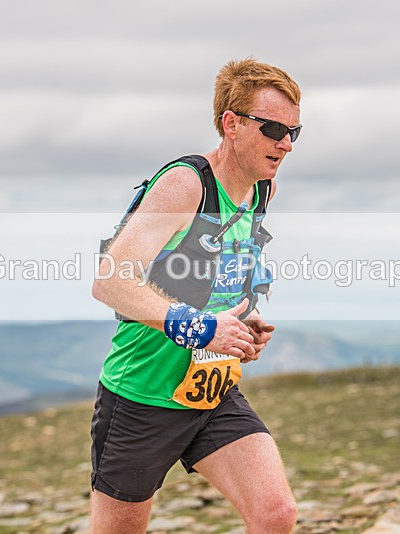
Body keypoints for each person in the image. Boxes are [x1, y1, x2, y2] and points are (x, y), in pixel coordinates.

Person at [90, 58, 302, 533]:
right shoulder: (185, 184)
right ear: (232, 123)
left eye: (294, 132)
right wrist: (200, 326)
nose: (285, 145)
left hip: (210, 391)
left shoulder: (260, 189)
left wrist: (239, 327)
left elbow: (206, 275)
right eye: (272, 129)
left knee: (276, 514)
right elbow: (110, 281)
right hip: (142, 396)